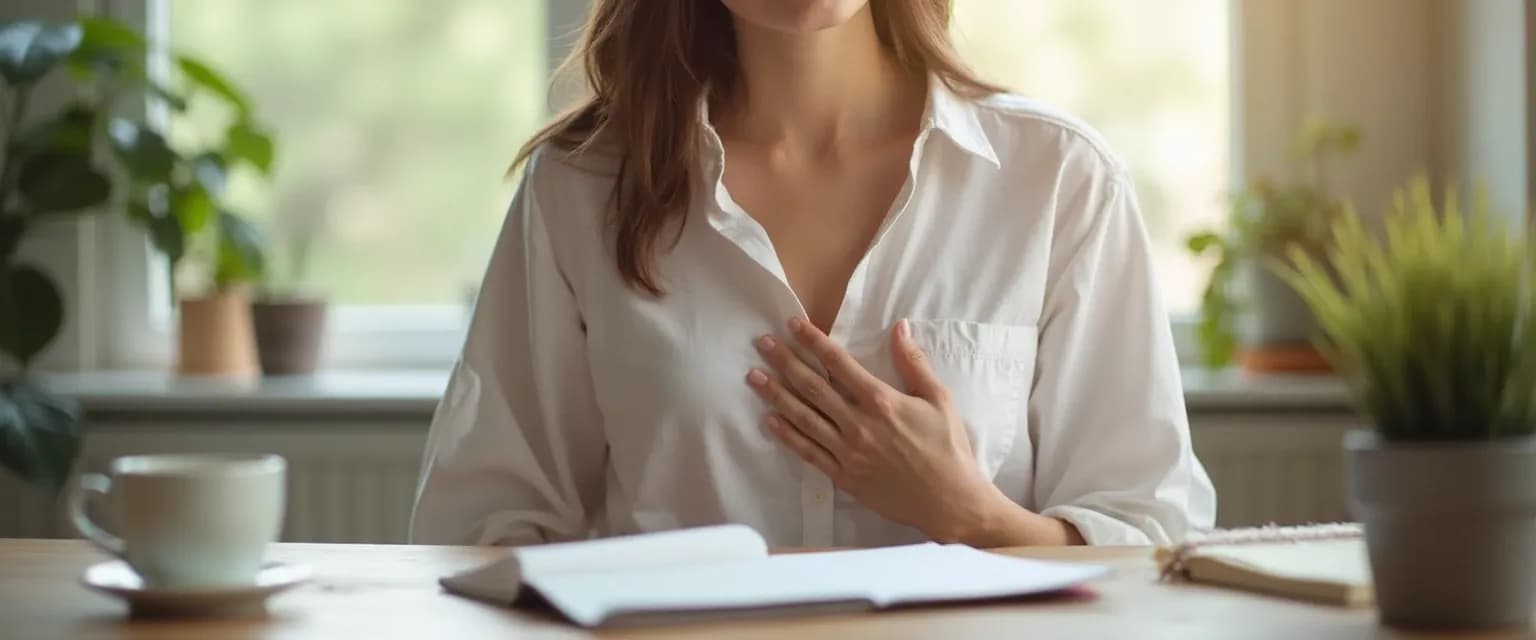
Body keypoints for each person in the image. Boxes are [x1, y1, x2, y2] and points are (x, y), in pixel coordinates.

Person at [410, 0, 1216, 549]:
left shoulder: (1057, 181)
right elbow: (486, 528)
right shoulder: (580, 189)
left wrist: (972, 515)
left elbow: (1151, 534)